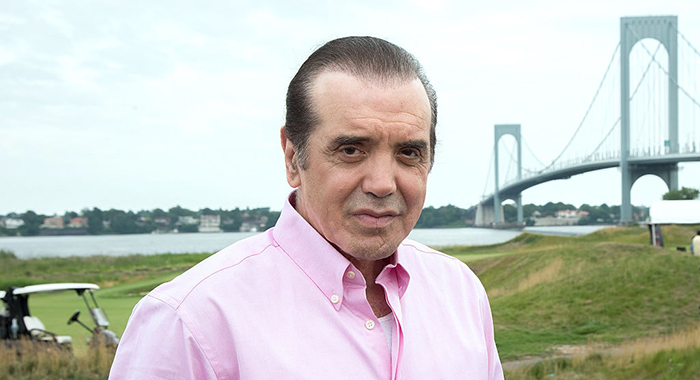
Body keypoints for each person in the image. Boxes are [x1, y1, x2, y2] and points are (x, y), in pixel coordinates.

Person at [108, 36, 504, 379]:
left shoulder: (462, 293)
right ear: (292, 157)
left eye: (408, 152)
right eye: (351, 150)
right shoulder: (189, 322)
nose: (383, 184)